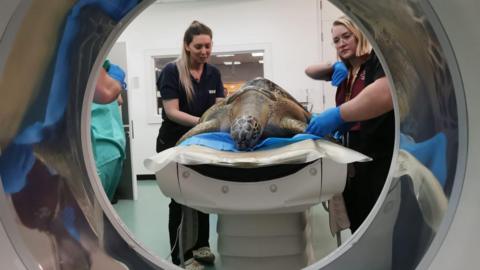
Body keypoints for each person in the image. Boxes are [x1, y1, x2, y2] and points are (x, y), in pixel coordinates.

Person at [305, 16, 395, 233]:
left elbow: (384, 94)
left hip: (378, 155)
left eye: (347, 36)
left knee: (377, 220)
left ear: (360, 34)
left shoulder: (377, 61)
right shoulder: (345, 70)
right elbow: (310, 71)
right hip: (353, 156)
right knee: (357, 217)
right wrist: (334, 64)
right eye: (336, 40)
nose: (341, 43)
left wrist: (338, 115)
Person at [155, 21, 224, 269]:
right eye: (198, 46)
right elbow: (172, 111)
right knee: (180, 198)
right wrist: (204, 122)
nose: (204, 51)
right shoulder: (171, 72)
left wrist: (223, 117)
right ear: (187, 46)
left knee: (203, 193)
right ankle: (181, 256)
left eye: (208, 46)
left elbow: (220, 104)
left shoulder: (213, 73)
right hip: (173, 143)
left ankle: (201, 246)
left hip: (201, 143)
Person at [91, 60, 127, 203]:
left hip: (104, 147)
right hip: (106, 146)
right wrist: (117, 79)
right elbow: (110, 94)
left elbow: (115, 97)